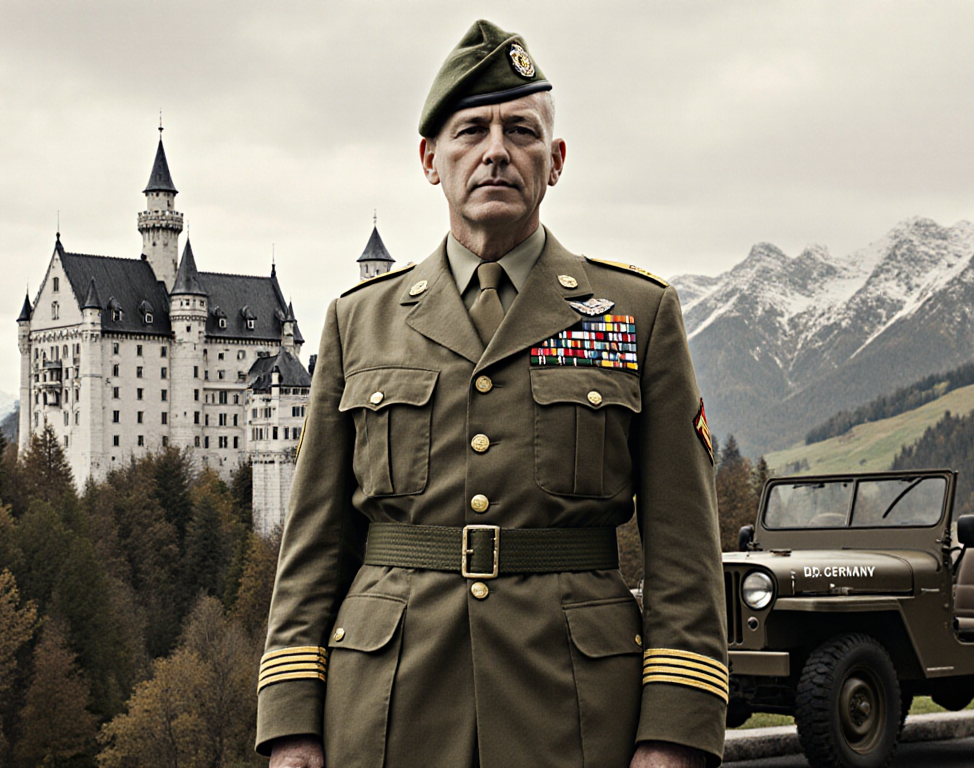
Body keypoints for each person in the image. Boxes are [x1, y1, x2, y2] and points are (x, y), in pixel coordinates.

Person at [257, 20, 728, 768]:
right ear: (430, 160)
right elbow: (314, 545)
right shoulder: (360, 321)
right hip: (387, 708)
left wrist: (675, 732)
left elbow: (685, 553)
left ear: (556, 160)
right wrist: (289, 721)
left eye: (521, 131)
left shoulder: (636, 313)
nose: (496, 151)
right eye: (471, 131)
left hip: (576, 711)